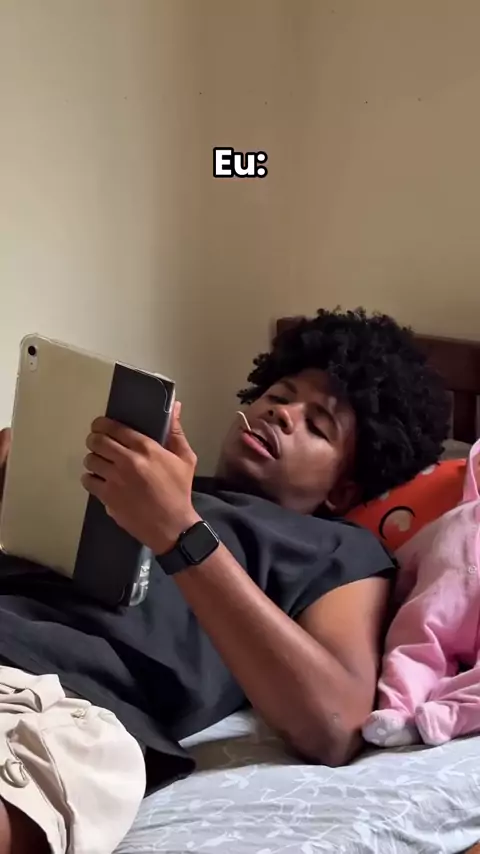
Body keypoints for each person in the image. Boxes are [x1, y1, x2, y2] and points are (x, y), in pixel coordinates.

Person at [0, 308, 449, 854]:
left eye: (317, 425)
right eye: (279, 395)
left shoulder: (337, 548)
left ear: (343, 491)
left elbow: (335, 724)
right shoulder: (142, 480)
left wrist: (179, 532)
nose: (282, 414)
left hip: (53, 700)